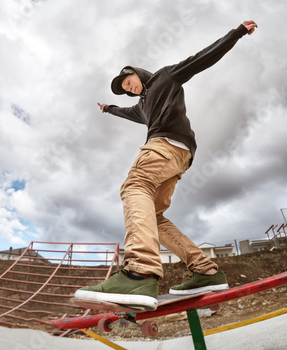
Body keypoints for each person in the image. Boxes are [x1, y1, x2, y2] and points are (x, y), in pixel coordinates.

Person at [75, 21, 258, 310]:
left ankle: (140, 272)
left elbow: (200, 59)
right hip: (179, 157)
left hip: (165, 146)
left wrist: (236, 33)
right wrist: (109, 109)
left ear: (136, 72)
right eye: (126, 89)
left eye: (129, 81)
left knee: (135, 186)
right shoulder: (141, 106)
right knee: (155, 216)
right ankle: (205, 271)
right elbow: (128, 112)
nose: (130, 88)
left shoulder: (165, 77)